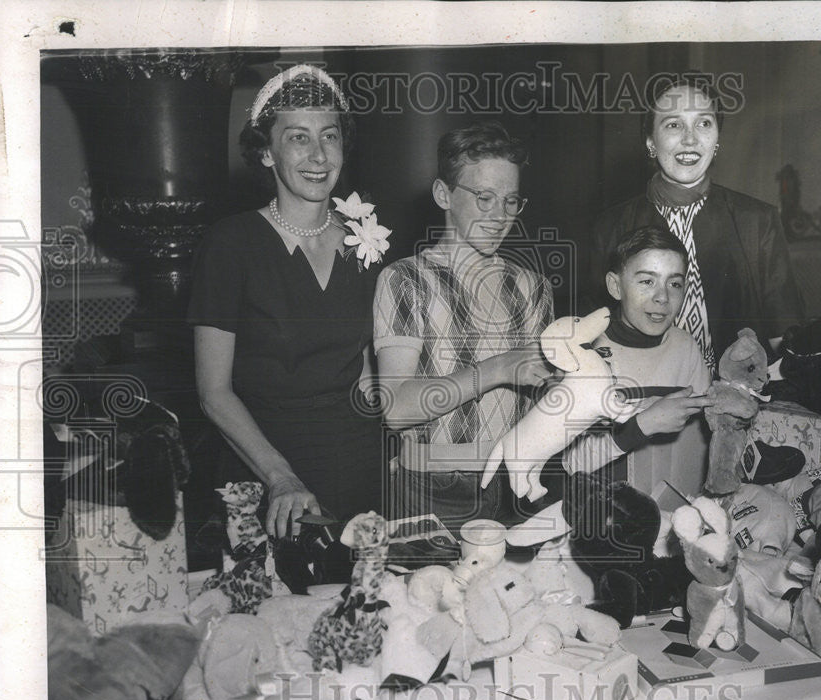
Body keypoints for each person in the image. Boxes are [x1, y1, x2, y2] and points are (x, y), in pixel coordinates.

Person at [188, 65, 388, 583]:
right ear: (265, 152)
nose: (318, 156)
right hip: (265, 474)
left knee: (361, 628)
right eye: (297, 138)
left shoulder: (365, 241)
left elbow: (371, 375)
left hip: (357, 471)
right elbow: (214, 394)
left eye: (330, 136)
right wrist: (280, 478)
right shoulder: (230, 244)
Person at [373, 121, 556, 534]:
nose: (499, 216)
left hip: (517, 483)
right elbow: (396, 408)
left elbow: (544, 405)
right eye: (484, 198)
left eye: (510, 201)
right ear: (443, 194)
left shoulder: (533, 288)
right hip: (434, 488)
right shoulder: (406, 280)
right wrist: (500, 368)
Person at [588, 74, 805, 372]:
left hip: (738, 400)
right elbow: (594, 333)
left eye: (704, 123)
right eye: (674, 124)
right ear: (650, 140)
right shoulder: (611, 227)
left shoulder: (757, 222)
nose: (690, 140)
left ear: (717, 139)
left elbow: (786, 337)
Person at [563, 225, 712, 509]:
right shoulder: (585, 353)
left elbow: (704, 442)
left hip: (674, 507)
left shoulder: (686, 348)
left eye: (675, 283)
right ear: (615, 286)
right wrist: (643, 425)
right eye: (647, 281)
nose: (663, 297)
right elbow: (571, 463)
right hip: (603, 511)